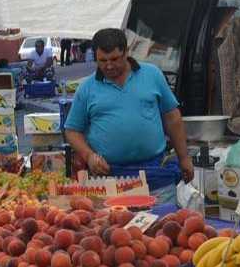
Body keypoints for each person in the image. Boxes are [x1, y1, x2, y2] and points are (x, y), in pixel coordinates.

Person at [64, 28, 194, 188]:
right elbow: (72, 131)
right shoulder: (87, 88)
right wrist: (89, 156)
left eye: (114, 59)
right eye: (102, 61)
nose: (109, 66)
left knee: (162, 213)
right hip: (110, 176)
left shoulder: (152, 74)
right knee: (116, 213)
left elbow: (172, 117)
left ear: (126, 52)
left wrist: (184, 157)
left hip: (155, 173)